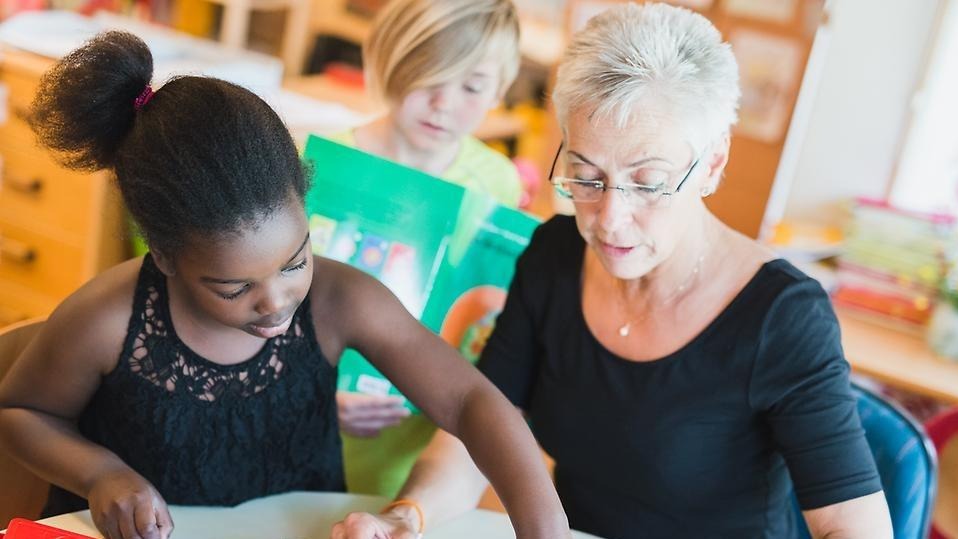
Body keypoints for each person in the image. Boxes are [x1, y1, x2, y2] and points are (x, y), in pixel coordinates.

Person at [333, 4, 894, 539]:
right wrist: (408, 516)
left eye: (647, 183)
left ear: (712, 164)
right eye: (586, 177)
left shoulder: (782, 316)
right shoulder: (554, 257)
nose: (609, 220)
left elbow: (851, 523)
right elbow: (477, 433)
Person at [0, 31, 569, 539]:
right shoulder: (108, 320)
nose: (276, 302)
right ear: (165, 256)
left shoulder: (342, 299)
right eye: (233, 288)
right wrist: (101, 473)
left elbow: (470, 401)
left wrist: (546, 530)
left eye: (296, 262)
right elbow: (21, 411)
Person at [323, 0, 526, 498]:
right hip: (295, 435)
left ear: (499, 91)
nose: (443, 103)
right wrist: (312, 399)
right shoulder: (324, 161)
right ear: (390, 59)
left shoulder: (496, 183)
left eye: (472, 87)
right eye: (429, 76)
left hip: (410, 460)